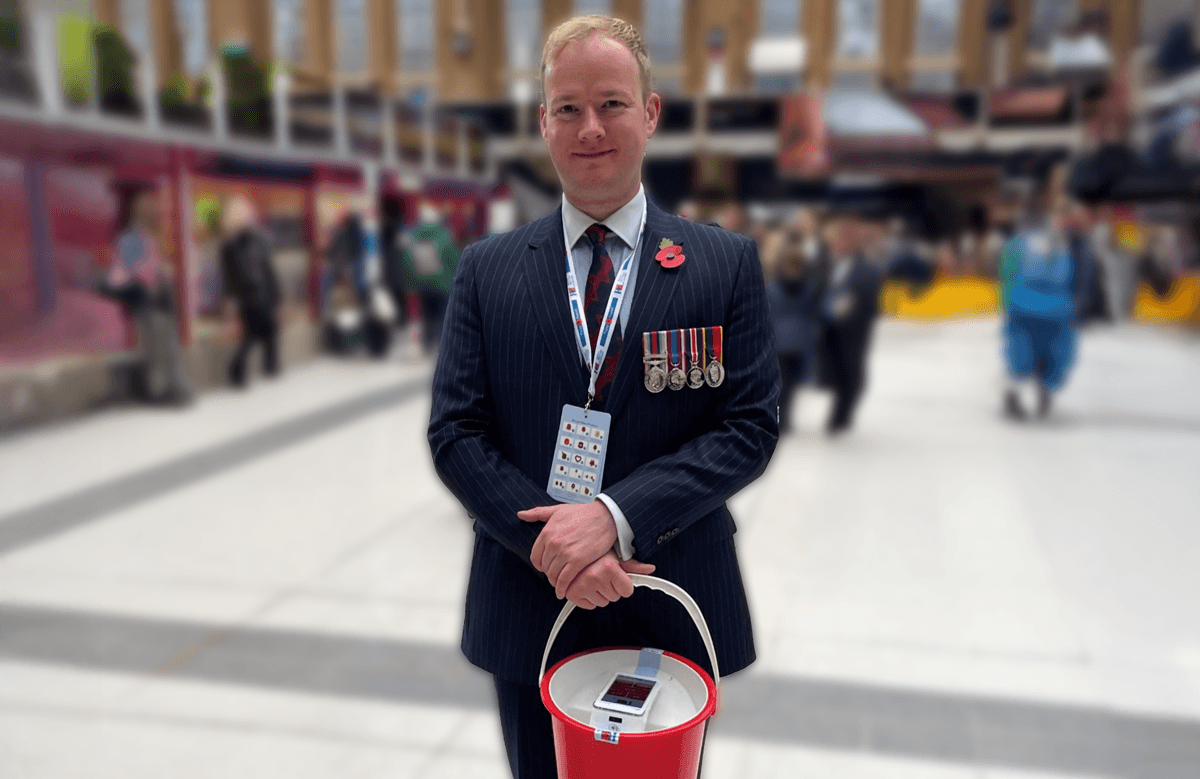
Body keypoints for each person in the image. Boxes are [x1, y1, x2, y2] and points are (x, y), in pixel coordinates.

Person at [427, 15, 779, 779]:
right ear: (542, 122)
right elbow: (456, 432)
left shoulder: (722, 265)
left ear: (650, 114)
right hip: (529, 600)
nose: (590, 127)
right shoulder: (487, 272)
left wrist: (615, 518)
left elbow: (749, 426)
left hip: (669, 591)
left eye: (612, 103)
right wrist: (555, 549)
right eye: (568, 108)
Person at [104, 183, 193, 404]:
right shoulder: (131, 238)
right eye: (149, 208)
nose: (153, 212)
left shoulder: (149, 237)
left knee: (167, 337)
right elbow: (140, 272)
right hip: (141, 301)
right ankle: (161, 388)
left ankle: (173, 383)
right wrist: (159, 272)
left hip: (154, 301)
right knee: (157, 338)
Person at [998, 199, 1085, 419]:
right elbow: (1081, 278)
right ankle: (1038, 390)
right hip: (1055, 308)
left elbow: (1007, 272)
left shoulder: (1020, 243)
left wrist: (1007, 302)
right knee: (1049, 354)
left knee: (1024, 353)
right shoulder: (1070, 244)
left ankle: (1018, 391)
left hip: (1029, 305)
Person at [817, 208, 883, 436]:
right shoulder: (823, 264)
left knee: (850, 372)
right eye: (837, 237)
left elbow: (872, 304)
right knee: (830, 371)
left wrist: (850, 310)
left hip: (852, 332)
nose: (838, 242)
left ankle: (841, 415)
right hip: (825, 328)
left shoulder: (868, 270)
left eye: (844, 237)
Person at [220, 196, 282, 388]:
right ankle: (253, 370)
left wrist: (277, 296)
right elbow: (229, 277)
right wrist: (230, 301)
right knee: (255, 336)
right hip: (250, 298)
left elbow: (267, 269)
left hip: (257, 296)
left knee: (263, 334)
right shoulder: (231, 246)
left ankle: (265, 369)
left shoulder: (251, 241)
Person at [767, 240, 825, 434]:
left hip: (783, 343)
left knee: (784, 385)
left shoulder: (774, 289)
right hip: (796, 342)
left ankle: (781, 418)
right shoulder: (807, 290)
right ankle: (783, 418)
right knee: (788, 385)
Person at [401, 199, 459, 354]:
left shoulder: (413, 235)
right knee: (443, 314)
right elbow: (452, 259)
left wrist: (411, 281)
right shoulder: (444, 235)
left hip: (421, 283)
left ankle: (427, 342)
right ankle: (441, 344)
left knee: (426, 314)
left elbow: (407, 260)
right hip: (442, 283)